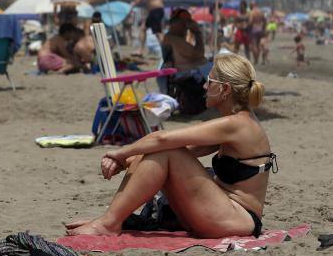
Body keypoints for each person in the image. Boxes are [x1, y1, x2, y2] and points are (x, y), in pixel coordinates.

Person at [65, 53, 275, 239]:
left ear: (225, 89)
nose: (203, 86)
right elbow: (187, 152)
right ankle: (110, 219)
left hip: (237, 219)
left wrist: (119, 154)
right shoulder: (236, 123)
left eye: (209, 81)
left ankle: (108, 223)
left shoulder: (236, 125)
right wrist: (130, 160)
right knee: (156, 150)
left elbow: (163, 139)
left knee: (163, 148)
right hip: (223, 213)